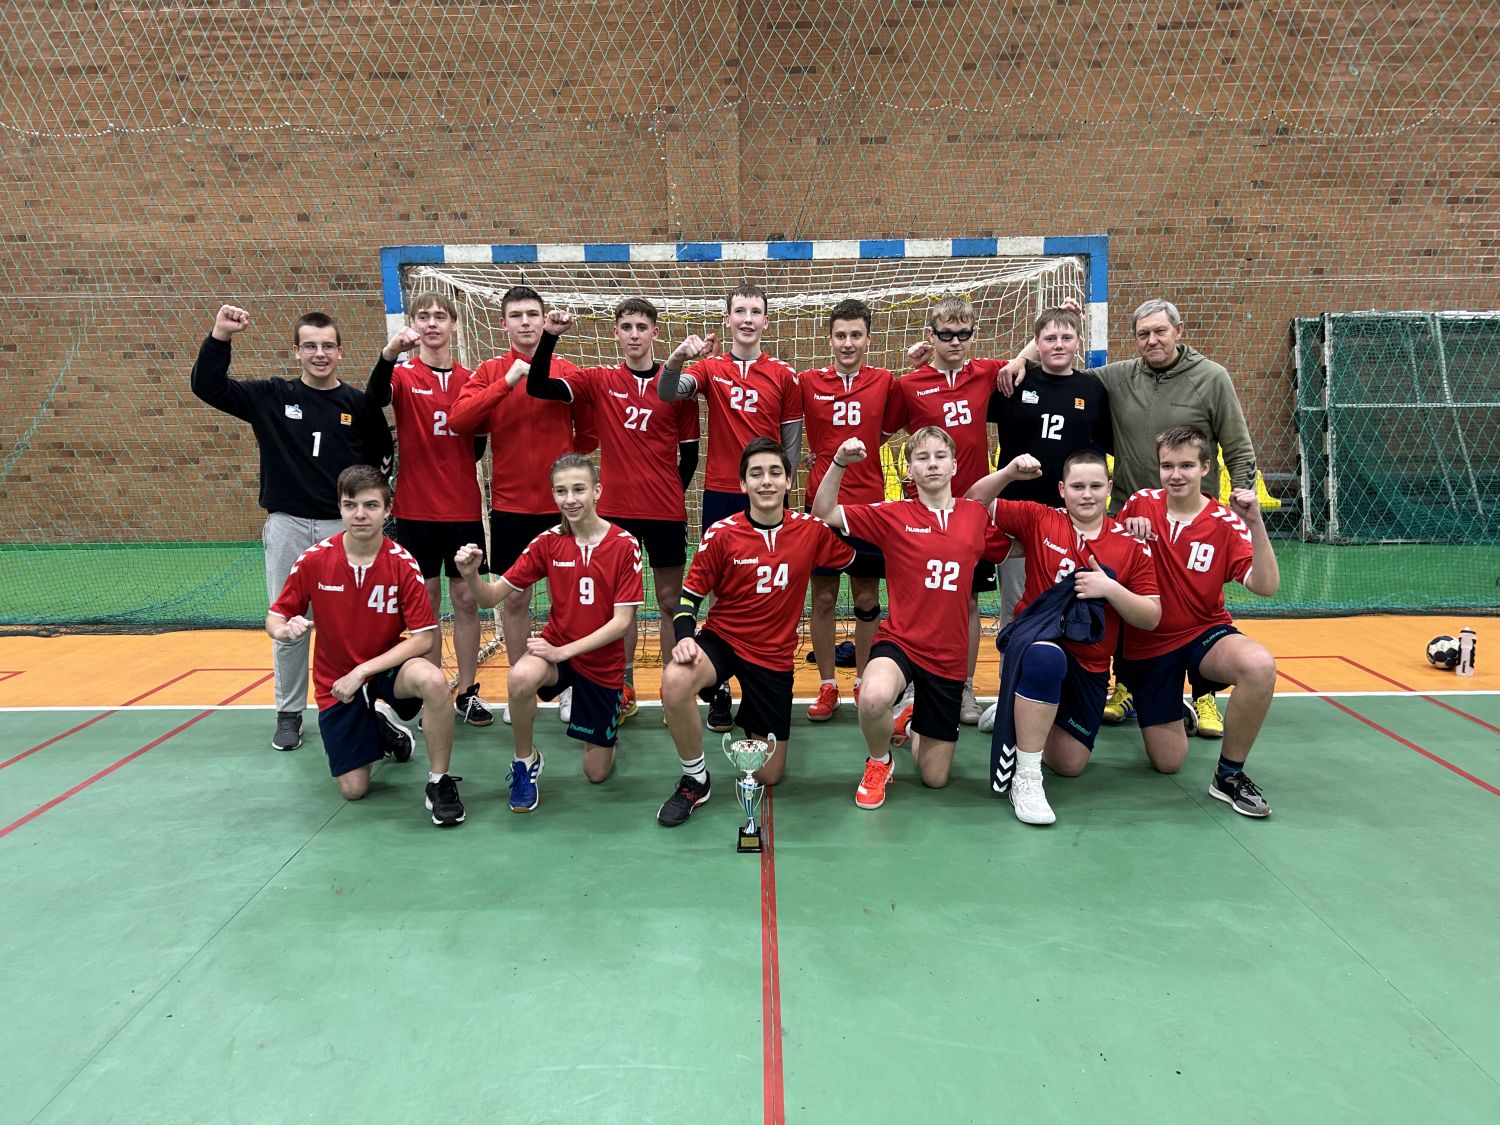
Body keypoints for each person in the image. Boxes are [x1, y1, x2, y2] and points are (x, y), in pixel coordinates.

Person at [1000, 297, 1258, 736]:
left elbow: (1237, 444)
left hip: (1191, 514)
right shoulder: (1117, 377)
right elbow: (1060, 364)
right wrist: (1022, 358)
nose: (1152, 340)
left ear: (1179, 332)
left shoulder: (1212, 377)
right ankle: (1125, 686)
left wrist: (1242, 496)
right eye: (1143, 334)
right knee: (1126, 601)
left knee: (1197, 602)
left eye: (1160, 331)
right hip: (1130, 514)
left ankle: (1204, 694)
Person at [191, 303, 387, 753]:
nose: (320, 354)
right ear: (296, 351)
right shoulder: (272, 396)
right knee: (289, 622)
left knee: (353, 625)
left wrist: (373, 517)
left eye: (328, 346)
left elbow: (381, 459)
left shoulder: (358, 404)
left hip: (343, 530)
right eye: (310, 346)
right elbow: (207, 386)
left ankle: (359, 706)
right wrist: (221, 335)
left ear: (340, 352)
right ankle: (289, 713)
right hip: (287, 525)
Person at [812, 427, 1023, 810]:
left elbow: (1018, 548)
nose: (932, 465)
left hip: (948, 657)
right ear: (909, 469)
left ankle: (910, 719)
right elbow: (823, 512)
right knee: (873, 697)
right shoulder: (893, 515)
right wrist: (839, 461)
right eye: (922, 458)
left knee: (935, 778)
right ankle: (879, 761)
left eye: (940, 457)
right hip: (902, 643)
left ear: (954, 465)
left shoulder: (974, 516)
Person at [656, 438, 854, 828]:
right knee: (675, 680)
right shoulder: (722, 533)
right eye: (756, 474)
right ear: (743, 484)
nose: (766, 481)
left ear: (788, 481)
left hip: (773, 658)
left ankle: (747, 714)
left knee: (768, 774)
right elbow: (688, 597)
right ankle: (695, 780)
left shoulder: (810, 531)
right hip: (725, 640)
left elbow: (856, 559)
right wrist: (685, 637)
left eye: (775, 473)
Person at [524, 300, 699, 719]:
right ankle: (623, 687)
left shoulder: (678, 388)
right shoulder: (599, 380)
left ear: (655, 332)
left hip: (665, 511)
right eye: (627, 326)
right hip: (616, 513)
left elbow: (690, 456)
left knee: (670, 602)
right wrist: (549, 336)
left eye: (642, 326)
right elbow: (538, 386)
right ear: (615, 333)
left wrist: (667, 493)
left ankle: (673, 690)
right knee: (619, 608)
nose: (634, 334)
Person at [967, 449, 1161, 826]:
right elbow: (974, 501)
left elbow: (1151, 616)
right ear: (1061, 489)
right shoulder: (1041, 518)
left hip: (1090, 662)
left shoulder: (1130, 543)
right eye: (1077, 486)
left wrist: (1110, 588)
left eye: (1095, 486)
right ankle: (1026, 777)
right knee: (1046, 658)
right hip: (1039, 642)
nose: (1086, 494)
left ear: (1109, 488)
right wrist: (1008, 473)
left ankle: (1017, 709)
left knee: (1071, 764)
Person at [266, 465, 464, 826]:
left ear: (387, 510)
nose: (360, 514)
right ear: (340, 508)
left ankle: (440, 782)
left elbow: (424, 638)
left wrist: (363, 671)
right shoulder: (314, 560)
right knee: (354, 790)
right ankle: (381, 729)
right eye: (350, 505)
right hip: (336, 680)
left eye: (371, 505)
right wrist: (283, 631)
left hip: (386, 668)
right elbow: (275, 616)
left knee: (433, 680)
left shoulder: (402, 563)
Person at [456, 455, 643, 810]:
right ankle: (524, 761)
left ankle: (606, 733)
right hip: (559, 651)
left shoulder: (624, 544)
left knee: (596, 772)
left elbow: (622, 623)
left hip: (601, 664)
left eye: (578, 489)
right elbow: (490, 597)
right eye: (561, 491)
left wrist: (562, 652)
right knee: (520, 677)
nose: (570, 499)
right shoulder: (547, 541)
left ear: (597, 491)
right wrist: (471, 575)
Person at [657, 283, 803, 732]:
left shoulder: (784, 375)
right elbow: (668, 392)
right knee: (721, 588)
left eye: (755, 311)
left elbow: (791, 442)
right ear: (727, 319)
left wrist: (784, 490)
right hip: (722, 491)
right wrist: (677, 357)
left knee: (766, 585)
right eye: (739, 311)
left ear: (765, 321)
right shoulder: (709, 368)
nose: (747, 319)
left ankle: (759, 681)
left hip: (768, 493)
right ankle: (719, 686)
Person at [449, 285, 596, 726]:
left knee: (571, 601)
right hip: (511, 507)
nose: (526, 322)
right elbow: (460, 421)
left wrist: (567, 474)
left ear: (544, 319)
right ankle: (521, 685)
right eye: (517, 315)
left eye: (533, 314)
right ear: (503, 324)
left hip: (564, 507)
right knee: (513, 602)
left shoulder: (567, 371)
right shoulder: (490, 371)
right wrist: (506, 382)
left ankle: (570, 685)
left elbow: (589, 432)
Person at [1117, 426, 1280, 817]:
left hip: (1203, 632)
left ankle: (1229, 775)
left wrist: (1256, 524)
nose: (1176, 475)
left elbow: (1266, 586)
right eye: (1167, 466)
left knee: (1259, 665)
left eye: (1186, 465)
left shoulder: (1225, 522)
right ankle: (1176, 708)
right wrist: (1126, 535)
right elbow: (1111, 553)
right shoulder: (1140, 504)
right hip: (1148, 644)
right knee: (1168, 762)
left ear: (1205, 468)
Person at [976, 307, 1112, 732]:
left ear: (1078, 343)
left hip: (1074, 519)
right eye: (1049, 338)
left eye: (1066, 338)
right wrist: (1019, 360)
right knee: (1018, 607)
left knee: (1074, 606)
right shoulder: (1014, 381)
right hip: (1019, 518)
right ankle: (1009, 696)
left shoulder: (1092, 388)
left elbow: (1105, 445)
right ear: (1036, 344)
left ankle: (1063, 696)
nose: (1058, 345)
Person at [364, 291, 492, 726]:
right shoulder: (402, 374)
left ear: (454, 324)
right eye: (424, 316)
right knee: (426, 603)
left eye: (440, 316)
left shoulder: (472, 379)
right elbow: (374, 396)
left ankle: (468, 692)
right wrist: (389, 353)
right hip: (415, 509)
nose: (432, 323)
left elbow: (477, 445)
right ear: (414, 325)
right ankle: (434, 689)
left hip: (462, 508)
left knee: (467, 600)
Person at [889, 294, 1007, 728]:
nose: (955, 341)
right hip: (922, 512)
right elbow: (881, 430)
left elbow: (1027, 359)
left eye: (963, 334)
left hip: (971, 511)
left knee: (969, 599)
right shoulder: (909, 384)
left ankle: (964, 686)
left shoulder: (986, 373)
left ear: (973, 334)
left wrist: (1063, 319)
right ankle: (915, 682)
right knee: (918, 598)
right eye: (946, 334)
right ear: (931, 335)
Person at [797, 298, 901, 719]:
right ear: (829, 338)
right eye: (840, 335)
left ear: (869, 339)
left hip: (868, 507)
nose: (847, 343)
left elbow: (887, 429)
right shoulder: (807, 381)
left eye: (856, 335)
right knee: (822, 598)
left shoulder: (885, 381)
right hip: (821, 506)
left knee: (866, 597)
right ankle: (827, 685)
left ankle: (862, 682)